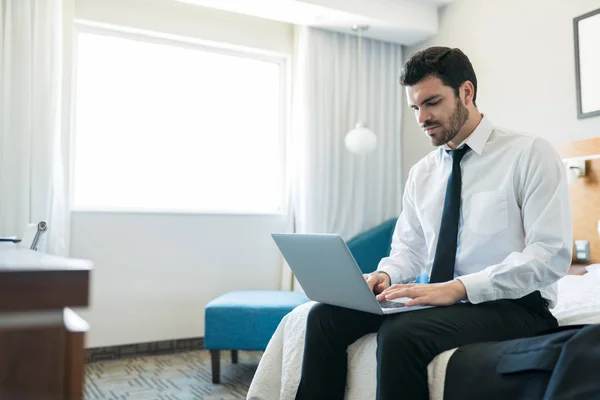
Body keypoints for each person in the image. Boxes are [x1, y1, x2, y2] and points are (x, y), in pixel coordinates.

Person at [294, 46, 573, 400]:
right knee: (324, 316)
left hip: (515, 305)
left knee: (401, 334)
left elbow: (549, 255)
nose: (421, 117)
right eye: (415, 107)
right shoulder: (422, 173)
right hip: (438, 299)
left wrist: (458, 288)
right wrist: (387, 275)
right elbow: (409, 250)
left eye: (432, 102)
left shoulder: (530, 154)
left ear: (466, 92)